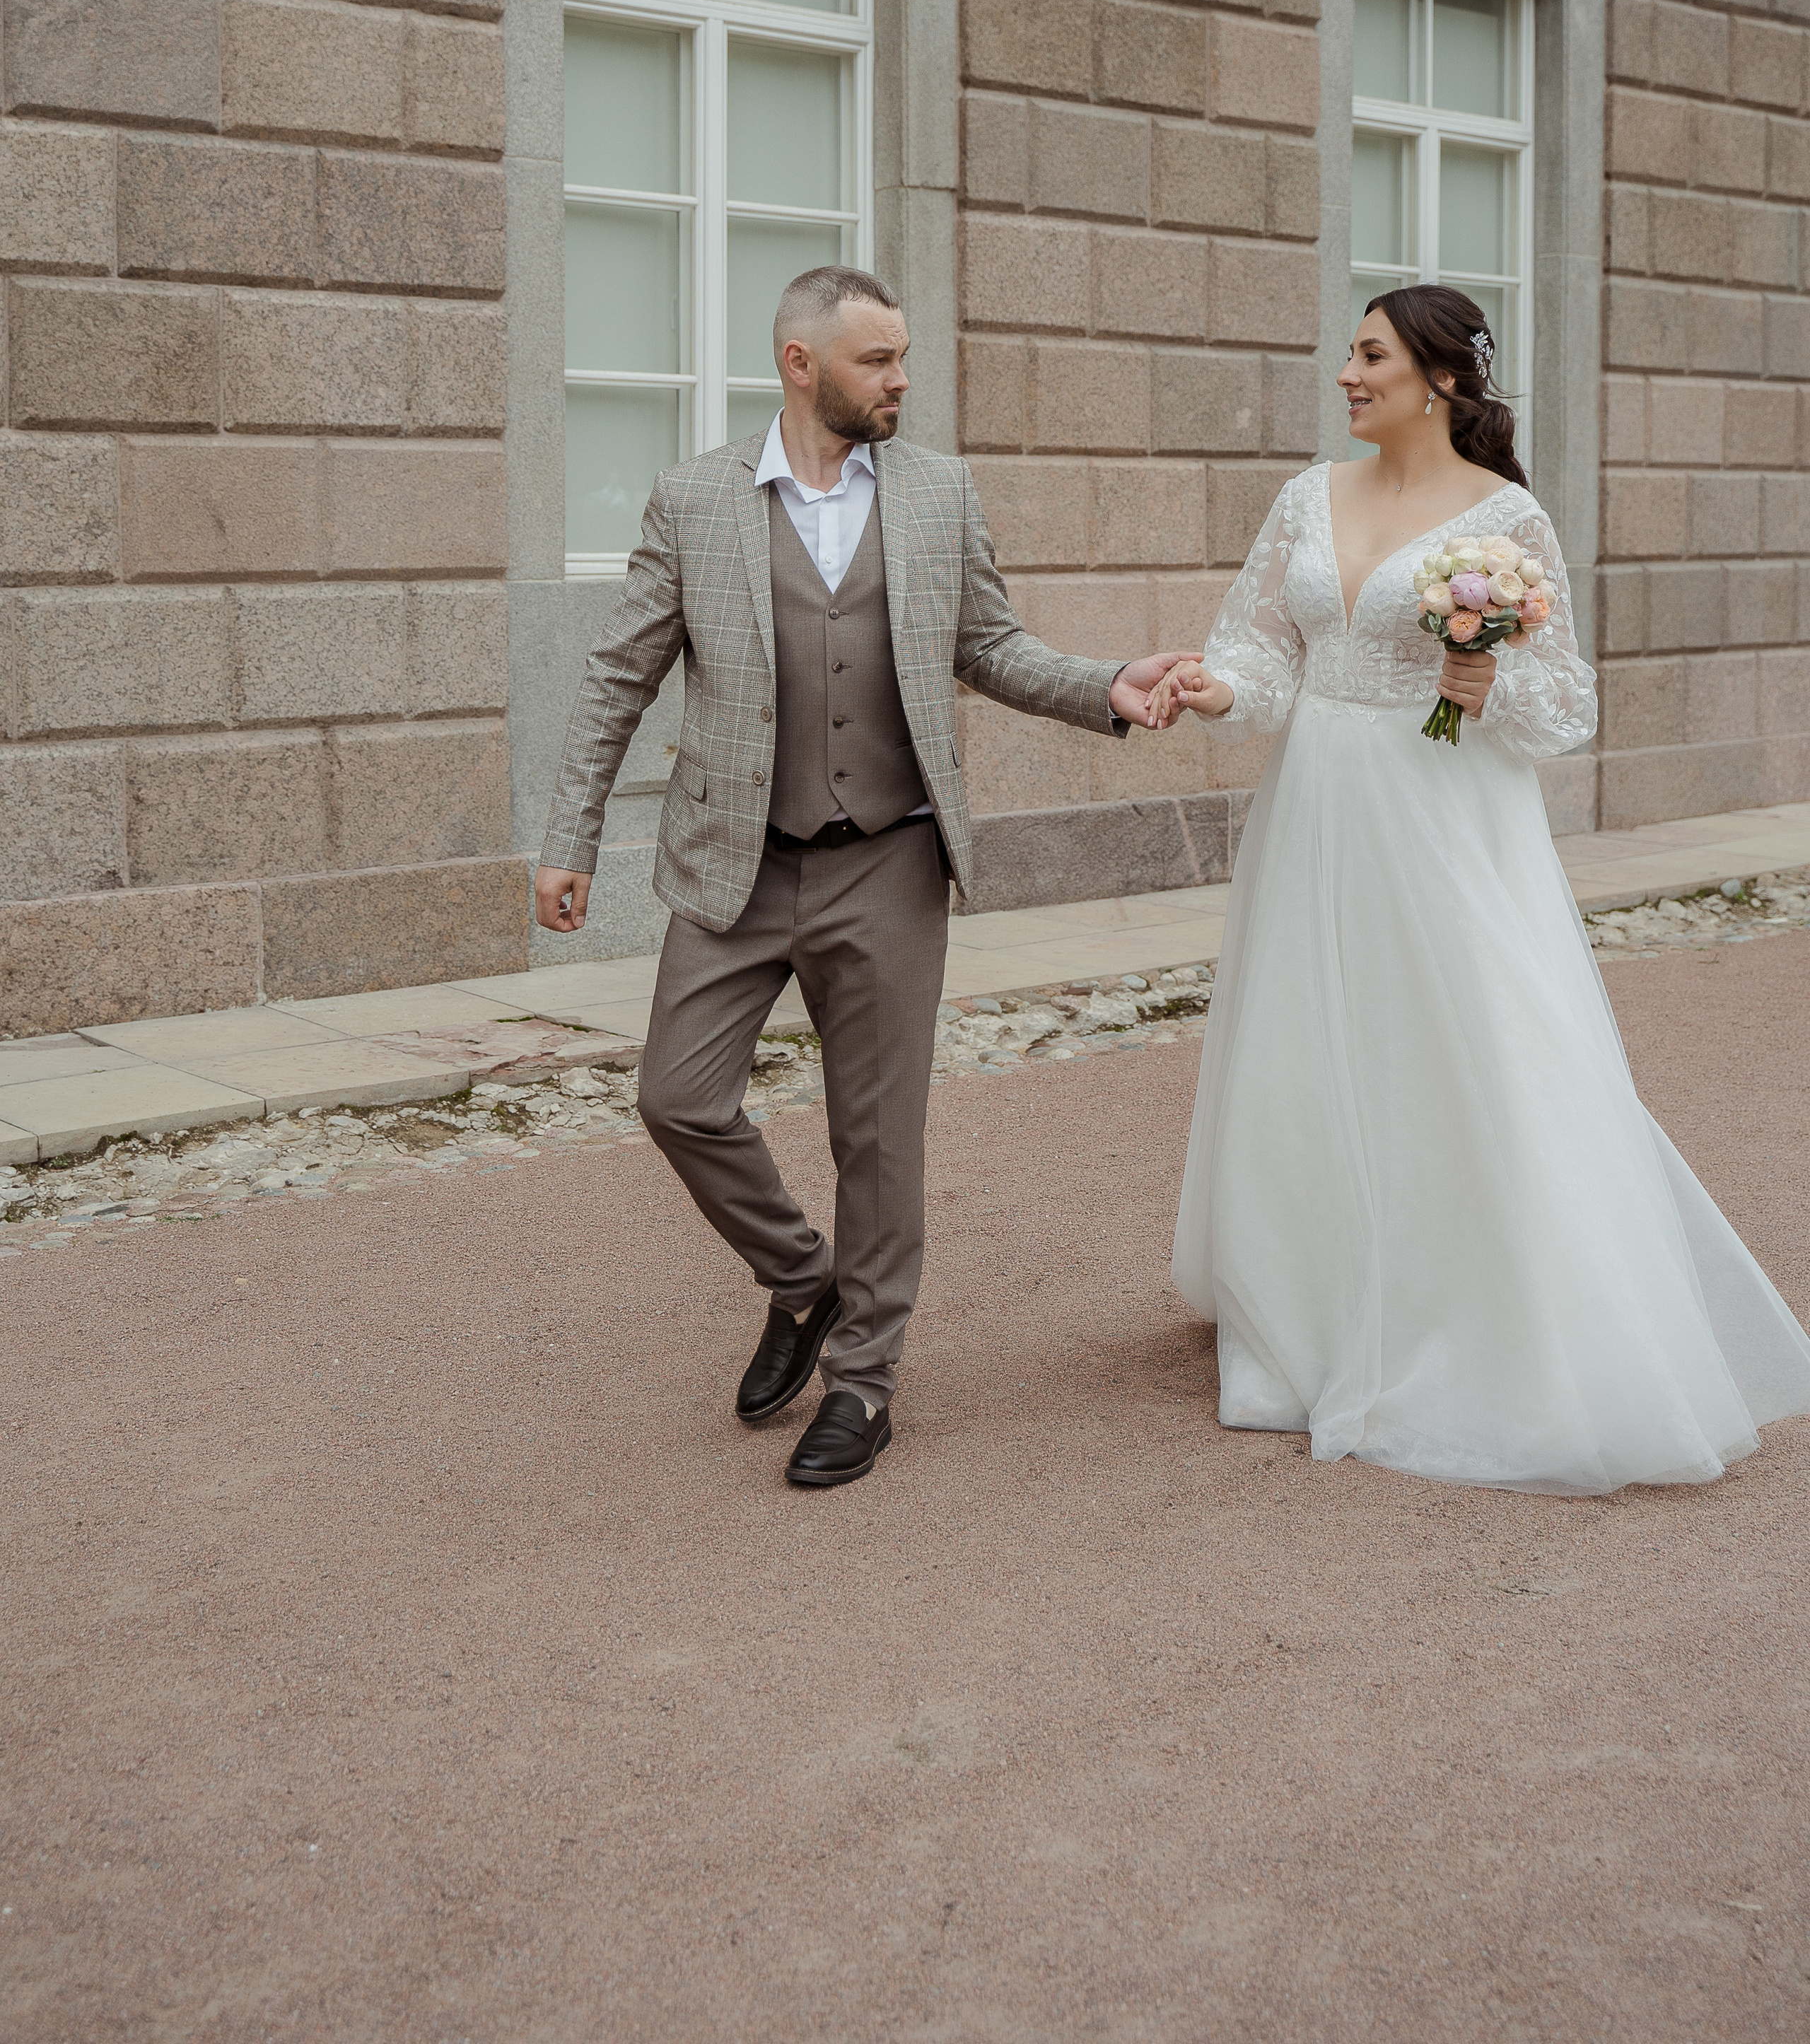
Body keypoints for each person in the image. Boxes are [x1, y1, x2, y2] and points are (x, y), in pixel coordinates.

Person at [537, 266, 1188, 1489]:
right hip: (735, 863)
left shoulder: (938, 493)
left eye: (901, 358)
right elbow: (617, 677)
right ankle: (803, 1281)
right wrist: (570, 838)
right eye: (878, 361)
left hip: (887, 861)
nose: (901, 380)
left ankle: (866, 1382)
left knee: (877, 1137)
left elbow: (988, 645)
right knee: (677, 1099)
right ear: (802, 365)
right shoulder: (695, 501)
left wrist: (1105, 685)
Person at [1153, 283, 1810, 1495]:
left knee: (1463, 1045)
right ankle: (1308, 1307)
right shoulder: (1308, 495)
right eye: (1348, 356)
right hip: (1314, 810)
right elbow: (1263, 654)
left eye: (1369, 357)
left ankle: (1472, 1308)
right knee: (1304, 1043)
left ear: (1441, 378)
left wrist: (1480, 684)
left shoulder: (1505, 519)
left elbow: (1568, 702)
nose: (1346, 376)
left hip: (1441, 814)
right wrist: (1216, 690)